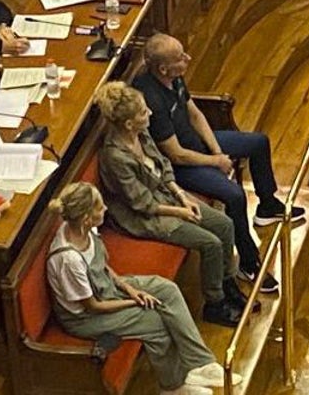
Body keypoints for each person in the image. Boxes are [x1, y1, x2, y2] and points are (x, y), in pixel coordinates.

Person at [134, 34, 305, 294]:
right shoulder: (151, 99)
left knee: (258, 143)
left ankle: (267, 206)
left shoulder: (174, 76)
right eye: (181, 58)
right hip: (183, 168)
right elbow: (176, 154)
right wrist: (215, 162)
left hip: (201, 149)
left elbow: (195, 113)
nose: (187, 59)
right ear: (163, 68)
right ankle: (249, 263)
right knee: (235, 196)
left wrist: (217, 151)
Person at [45, 181, 240, 395]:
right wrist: (135, 301)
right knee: (156, 322)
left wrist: (130, 289)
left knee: (167, 290)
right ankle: (172, 387)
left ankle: (201, 362)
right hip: (85, 317)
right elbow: (93, 306)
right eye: (100, 207)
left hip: (106, 288)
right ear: (86, 218)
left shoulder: (83, 228)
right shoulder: (67, 259)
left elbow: (102, 267)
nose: (106, 209)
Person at [94, 82, 250, 328]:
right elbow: (141, 203)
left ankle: (227, 283)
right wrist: (180, 211)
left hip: (168, 197)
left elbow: (163, 165)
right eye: (144, 112)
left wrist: (182, 195)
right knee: (210, 243)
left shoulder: (141, 133)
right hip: (145, 216)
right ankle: (215, 303)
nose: (151, 114)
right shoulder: (114, 157)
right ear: (128, 123)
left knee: (224, 224)